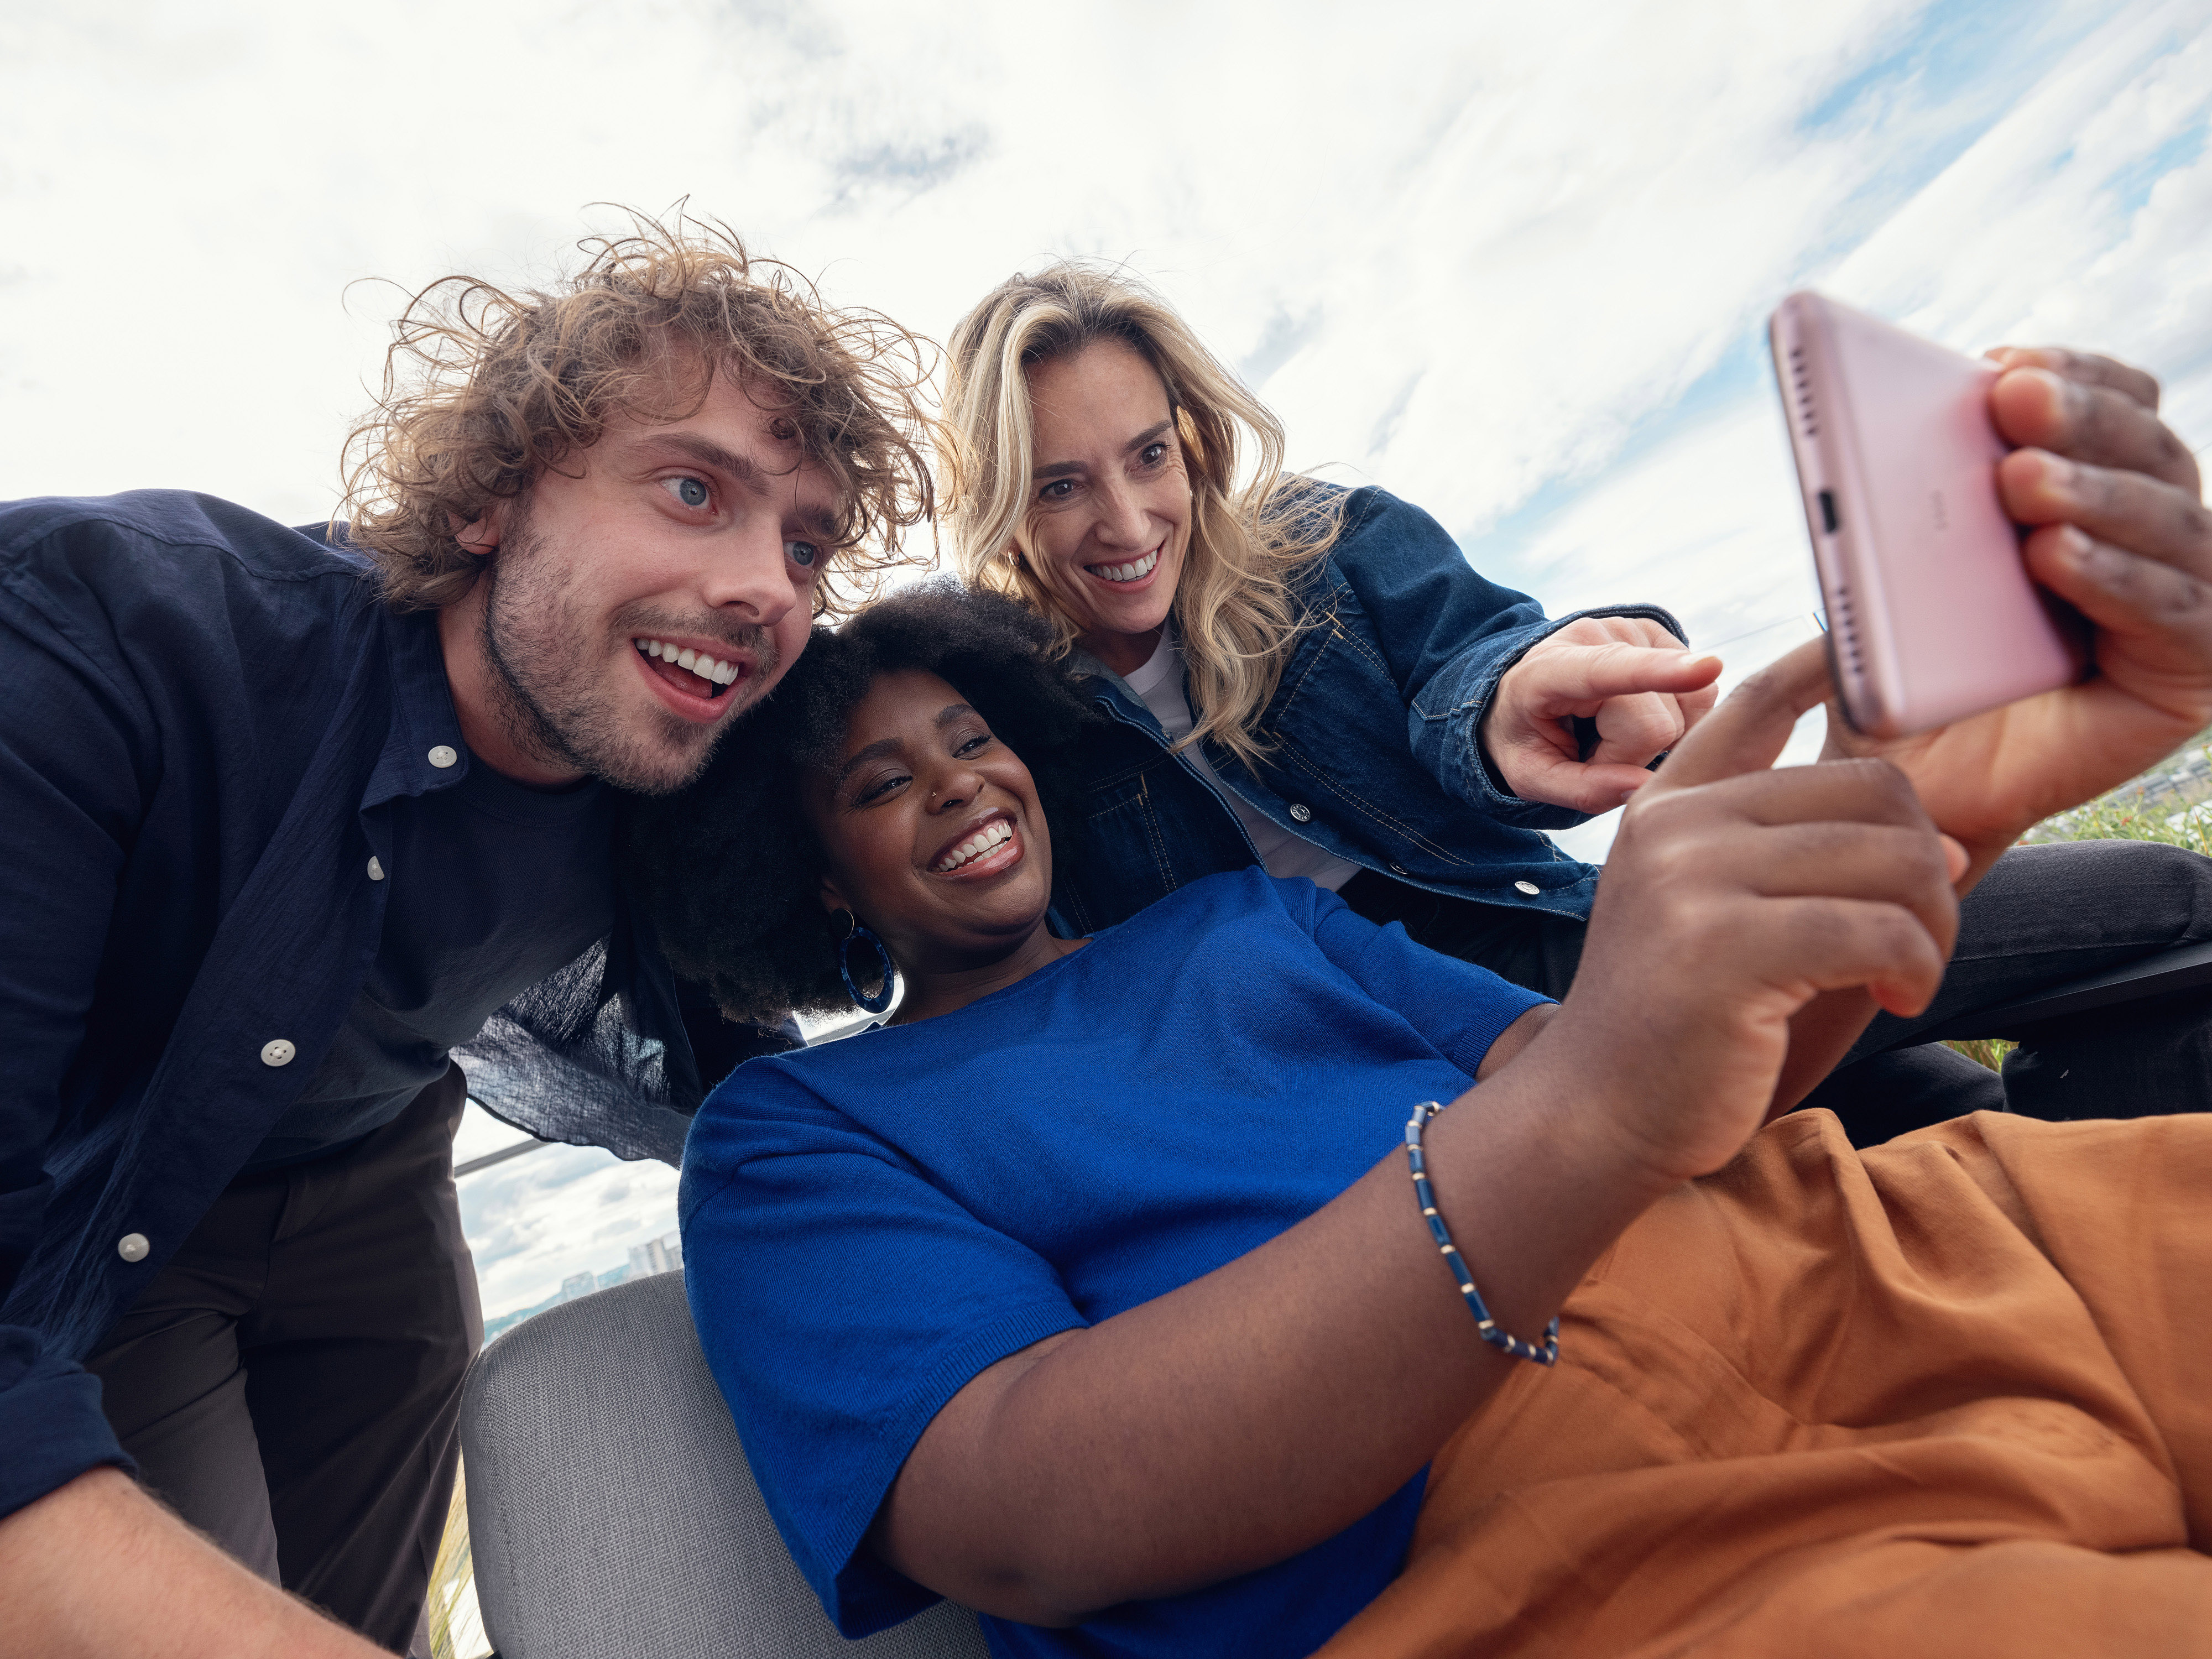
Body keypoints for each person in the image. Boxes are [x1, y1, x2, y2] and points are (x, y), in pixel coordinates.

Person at [637, 504, 2212, 1656]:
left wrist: (1915, 827)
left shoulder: (1244, 917)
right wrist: (1588, 1103)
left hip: (1895, 1247)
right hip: (1560, 1545)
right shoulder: (796, 1136)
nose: (959, 783)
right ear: (817, 879)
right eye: (880, 782)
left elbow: (1673, 1106)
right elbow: (1021, 1510)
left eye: (970, 737)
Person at [0, 217, 933, 1656]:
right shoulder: (115, 634)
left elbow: (812, 1001)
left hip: (381, 1197)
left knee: (367, 1608)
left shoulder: (679, 773)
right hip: (118, 1224)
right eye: (694, 489)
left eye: (805, 546)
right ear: (495, 496)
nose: (768, 588)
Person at [938, 265, 2212, 1140]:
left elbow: (1486, 662)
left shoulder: (1324, 544)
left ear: (1191, 440)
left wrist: (1520, 704)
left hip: (1565, 948)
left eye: (1146, 456)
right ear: (1002, 504)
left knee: (2090, 991)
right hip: (1367, 1082)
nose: (1122, 523)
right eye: (1059, 487)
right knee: (1919, 1093)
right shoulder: (1005, 718)